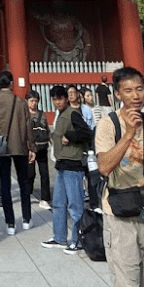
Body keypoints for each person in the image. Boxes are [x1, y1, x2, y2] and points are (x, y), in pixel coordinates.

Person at [94, 67, 144, 287]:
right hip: (119, 214)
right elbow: (104, 166)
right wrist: (128, 134)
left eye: (140, 89)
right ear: (117, 94)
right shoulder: (108, 124)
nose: (136, 95)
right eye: (128, 90)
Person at [41, 84, 92, 252]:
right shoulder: (61, 114)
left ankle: (77, 240)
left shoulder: (73, 113)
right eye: (54, 100)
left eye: (60, 99)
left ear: (66, 98)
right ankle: (59, 237)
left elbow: (86, 133)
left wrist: (70, 136)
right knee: (58, 203)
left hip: (73, 164)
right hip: (62, 164)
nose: (57, 102)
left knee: (75, 205)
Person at [0, 71, 34, 236]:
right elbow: (29, 126)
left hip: (2, 147)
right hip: (20, 146)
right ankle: (27, 219)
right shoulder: (21, 102)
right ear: (12, 83)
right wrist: (32, 147)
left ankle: (10, 223)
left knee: (5, 183)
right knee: (24, 183)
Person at [26, 90, 51, 211]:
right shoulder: (24, 115)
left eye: (36, 101)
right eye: (31, 101)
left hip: (42, 147)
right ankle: (28, 193)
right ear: (27, 101)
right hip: (29, 149)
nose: (34, 103)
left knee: (44, 174)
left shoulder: (41, 114)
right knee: (30, 174)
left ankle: (45, 198)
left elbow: (47, 129)